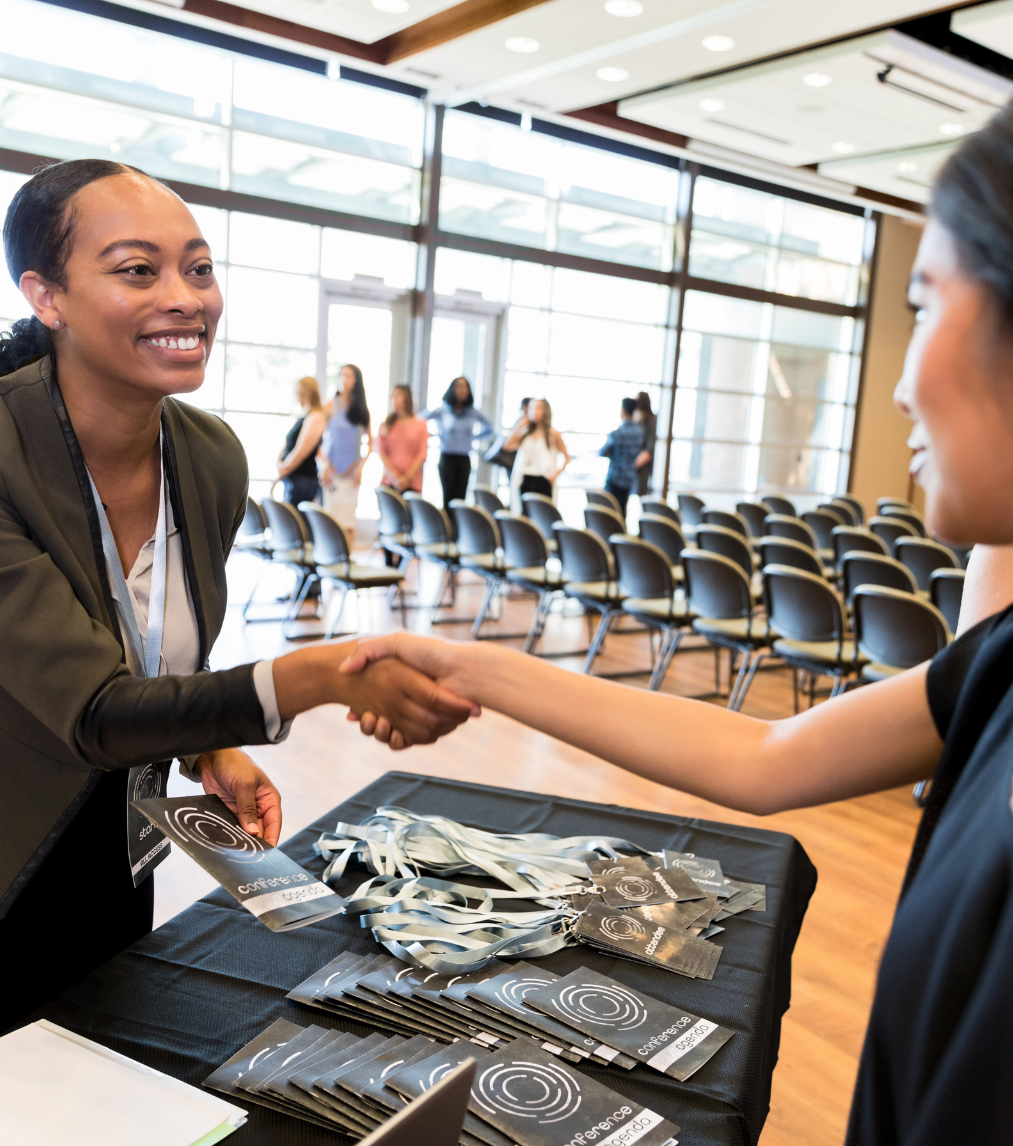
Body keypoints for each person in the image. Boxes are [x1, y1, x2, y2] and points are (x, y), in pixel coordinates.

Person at [339, 103, 1013, 1143]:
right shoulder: (998, 665)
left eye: (924, 305)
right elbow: (768, 754)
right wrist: (459, 663)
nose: (896, 384)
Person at [0, 160, 474, 1085]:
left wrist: (206, 750)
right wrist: (316, 677)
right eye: (137, 269)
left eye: (198, 267)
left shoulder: (209, 455)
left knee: (98, 1087)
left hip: (118, 840)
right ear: (47, 296)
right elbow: (91, 706)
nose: (185, 298)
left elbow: (154, 648)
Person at [320, 363, 371, 552]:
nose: (345, 379)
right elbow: (318, 442)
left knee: (349, 523)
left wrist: (360, 468)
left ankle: (347, 565)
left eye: (349, 376)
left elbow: (369, 445)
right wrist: (324, 466)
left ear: (356, 380)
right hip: (332, 474)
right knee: (331, 522)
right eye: (342, 375)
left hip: (352, 476)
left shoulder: (362, 411)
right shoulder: (329, 406)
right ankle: (332, 561)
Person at [420, 376, 493, 507]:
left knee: (460, 500)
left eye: (464, 387)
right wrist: (432, 435)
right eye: (458, 386)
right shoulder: (444, 410)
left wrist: (474, 438)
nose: (461, 390)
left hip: (464, 459)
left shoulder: (472, 412)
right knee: (448, 497)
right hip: (447, 458)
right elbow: (420, 420)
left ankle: (458, 526)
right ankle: (448, 526)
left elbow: (490, 428)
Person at [504, 398, 570, 511]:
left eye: (537, 407)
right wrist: (520, 425)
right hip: (526, 478)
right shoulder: (525, 432)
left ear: (545, 411)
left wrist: (556, 474)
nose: (534, 411)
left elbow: (567, 457)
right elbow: (508, 446)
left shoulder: (553, 434)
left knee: (543, 513)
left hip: (544, 479)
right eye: (531, 407)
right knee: (524, 513)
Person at [276, 375, 325, 507]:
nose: (299, 398)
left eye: (302, 394)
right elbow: (287, 446)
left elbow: (301, 451)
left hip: (303, 481)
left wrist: (282, 471)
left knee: (295, 525)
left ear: (311, 394)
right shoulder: (303, 417)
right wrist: (280, 463)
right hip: (293, 478)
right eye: (297, 394)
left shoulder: (315, 417)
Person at [598, 397, 646, 517]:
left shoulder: (616, 434)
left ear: (623, 410)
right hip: (629, 478)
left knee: (609, 513)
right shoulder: (639, 432)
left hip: (615, 478)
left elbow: (602, 452)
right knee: (622, 511)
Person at [378, 385, 429, 495]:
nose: (393, 400)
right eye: (392, 397)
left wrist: (406, 478)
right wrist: (395, 478)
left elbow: (422, 454)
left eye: (396, 396)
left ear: (406, 398)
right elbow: (382, 453)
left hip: (412, 484)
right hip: (389, 483)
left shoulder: (421, 425)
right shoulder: (386, 425)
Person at [632, 390, 656, 497]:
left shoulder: (651, 421)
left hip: (643, 465)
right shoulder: (638, 420)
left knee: (641, 494)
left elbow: (649, 448)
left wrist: (634, 464)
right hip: (635, 463)